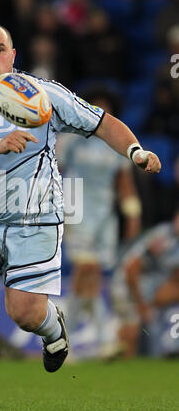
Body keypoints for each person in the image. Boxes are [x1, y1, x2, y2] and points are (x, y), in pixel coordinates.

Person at [0, 22, 161, 408]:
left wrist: (135, 152)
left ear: (12, 54)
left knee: (22, 312)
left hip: (34, 219)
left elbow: (102, 122)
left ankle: (53, 327)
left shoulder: (45, 94)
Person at [56, 86, 142, 359]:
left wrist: (133, 217)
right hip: (76, 208)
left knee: (91, 277)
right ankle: (99, 339)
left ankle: (65, 343)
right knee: (86, 269)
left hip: (105, 217)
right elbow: (53, 170)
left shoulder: (117, 143)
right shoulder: (70, 138)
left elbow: (124, 185)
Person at [110, 208, 179, 358]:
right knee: (130, 332)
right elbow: (131, 268)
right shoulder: (164, 237)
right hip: (126, 285)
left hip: (144, 287)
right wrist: (141, 305)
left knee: (136, 333)